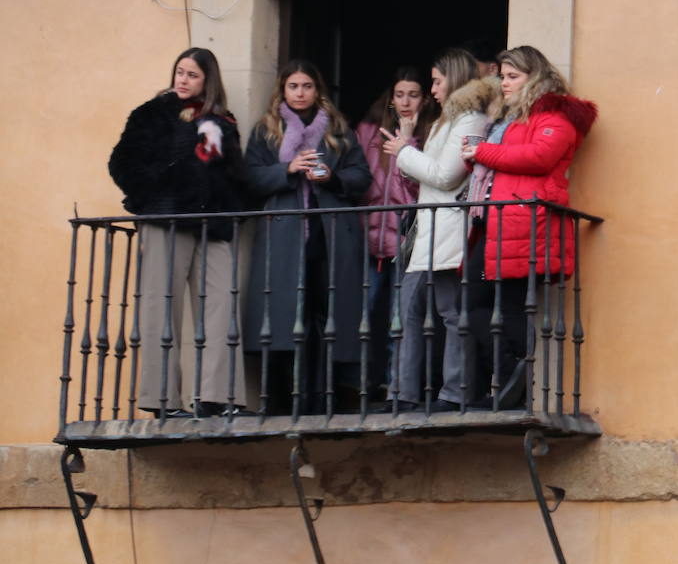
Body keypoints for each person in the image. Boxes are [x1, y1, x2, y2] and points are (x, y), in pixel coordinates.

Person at [108, 48, 245, 418]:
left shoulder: (222, 122)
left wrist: (231, 207)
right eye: (179, 72)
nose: (182, 80)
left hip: (211, 224)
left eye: (192, 75)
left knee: (221, 306)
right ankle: (163, 401)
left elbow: (234, 174)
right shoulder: (151, 115)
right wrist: (155, 194)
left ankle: (218, 398)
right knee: (160, 306)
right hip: (166, 220)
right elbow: (121, 164)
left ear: (208, 81)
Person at [460, 46, 597, 410]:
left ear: (534, 76)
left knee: (510, 306)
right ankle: (511, 380)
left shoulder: (555, 113)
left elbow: (540, 157)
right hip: (499, 220)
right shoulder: (514, 116)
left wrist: (483, 153)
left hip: (526, 221)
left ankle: (512, 385)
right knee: (475, 303)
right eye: (502, 76)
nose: (504, 83)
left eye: (512, 76)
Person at [242, 60, 371, 415]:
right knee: (283, 315)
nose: (300, 93)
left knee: (325, 313)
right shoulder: (267, 130)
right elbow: (249, 177)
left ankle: (323, 397)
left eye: (307, 86)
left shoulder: (339, 129)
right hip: (283, 237)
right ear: (282, 90)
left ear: (318, 90)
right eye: (293, 86)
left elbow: (362, 176)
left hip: (328, 236)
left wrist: (331, 176)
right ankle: (282, 401)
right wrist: (287, 169)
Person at [379, 48, 500, 411]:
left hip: (449, 229)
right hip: (429, 229)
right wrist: (407, 141)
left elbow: (446, 176)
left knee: (449, 313)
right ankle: (402, 393)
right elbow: (428, 174)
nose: (432, 89)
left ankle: (455, 392)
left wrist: (403, 151)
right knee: (409, 311)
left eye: (436, 80)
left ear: (456, 77)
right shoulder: (448, 120)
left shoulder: (469, 120)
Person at [355, 67, 438, 395]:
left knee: (398, 318)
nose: (406, 102)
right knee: (366, 312)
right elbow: (358, 181)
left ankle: (395, 385)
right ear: (391, 98)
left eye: (413, 95)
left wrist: (409, 146)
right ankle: (361, 383)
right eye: (400, 94)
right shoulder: (367, 133)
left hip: (408, 240)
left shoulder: (432, 134)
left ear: (425, 98)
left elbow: (422, 189)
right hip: (369, 238)